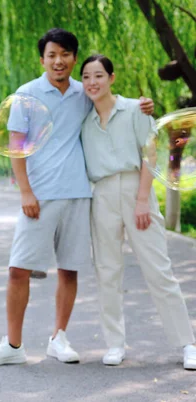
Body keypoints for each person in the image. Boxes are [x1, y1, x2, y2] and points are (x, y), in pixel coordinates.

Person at [0, 28, 154, 367]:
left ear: (74, 58)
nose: (59, 60)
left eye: (66, 54)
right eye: (52, 54)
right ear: (42, 59)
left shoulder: (83, 93)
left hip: (78, 194)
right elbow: (16, 147)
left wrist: (143, 105)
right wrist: (25, 190)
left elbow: (116, 104)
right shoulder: (26, 95)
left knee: (69, 270)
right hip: (39, 197)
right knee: (18, 269)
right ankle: (13, 346)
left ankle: (59, 337)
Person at [79, 54, 196, 369]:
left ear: (112, 78)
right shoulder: (83, 120)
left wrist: (143, 199)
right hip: (101, 194)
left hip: (135, 189)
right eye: (87, 77)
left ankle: (187, 344)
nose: (93, 82)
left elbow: (149, 154)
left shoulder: (135, 109)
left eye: (99, 75)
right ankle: (114, 344)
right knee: (107, 271)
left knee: (159, 269)